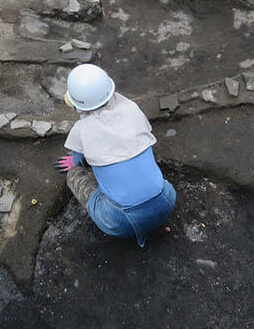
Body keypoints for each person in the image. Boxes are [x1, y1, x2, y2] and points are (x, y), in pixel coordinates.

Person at [56, 64, 176, 246]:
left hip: (121, 222)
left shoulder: (82, 129)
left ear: (75, 103)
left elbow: (78, 158)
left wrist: (74, 161)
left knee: (74, 175)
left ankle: (112, 213)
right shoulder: (133, 109)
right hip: (166, 200)